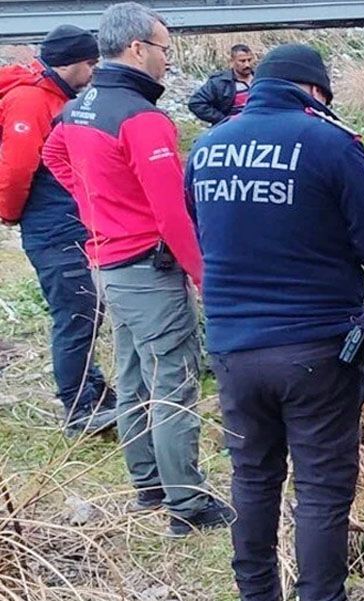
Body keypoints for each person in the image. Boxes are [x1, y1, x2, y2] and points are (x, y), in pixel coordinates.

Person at [188, 43, 364, 601]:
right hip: (314, 350)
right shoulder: (333, 143)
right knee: (321, 490)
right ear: (316, 92)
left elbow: (203, 232)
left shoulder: (205, 148)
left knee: (252, 479)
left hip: (232, 348)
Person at [42, 2, 230, 537]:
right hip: (147, 266)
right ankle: (187, 505)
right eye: (165, 49)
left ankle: (147, 482)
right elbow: (172, 212)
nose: (168, 61)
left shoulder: (81, 105)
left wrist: (95, 203)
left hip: (108, 264)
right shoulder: (142, 117)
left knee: (130, 375)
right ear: (138, 49)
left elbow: (53, 154)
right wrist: (203, 276)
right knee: (173, 379)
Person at [0, 25, 120, 437]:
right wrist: (11, 213)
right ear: (70, 62)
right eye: (90, 64)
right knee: (74, 312)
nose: (93, 72)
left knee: (85, 309)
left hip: (64, 219)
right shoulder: (31, 100)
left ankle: (94, 392)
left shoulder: (55, 96)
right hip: (51, 223)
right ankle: (80, 409)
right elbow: (16, 169)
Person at [187, 43, 254, 125]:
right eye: (242, 61)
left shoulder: (260, 78)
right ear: (232, 61)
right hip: (231, 129)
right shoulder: (219, 82)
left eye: (249, 60)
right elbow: (196, 103)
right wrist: (222, 120)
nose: (247, 64)